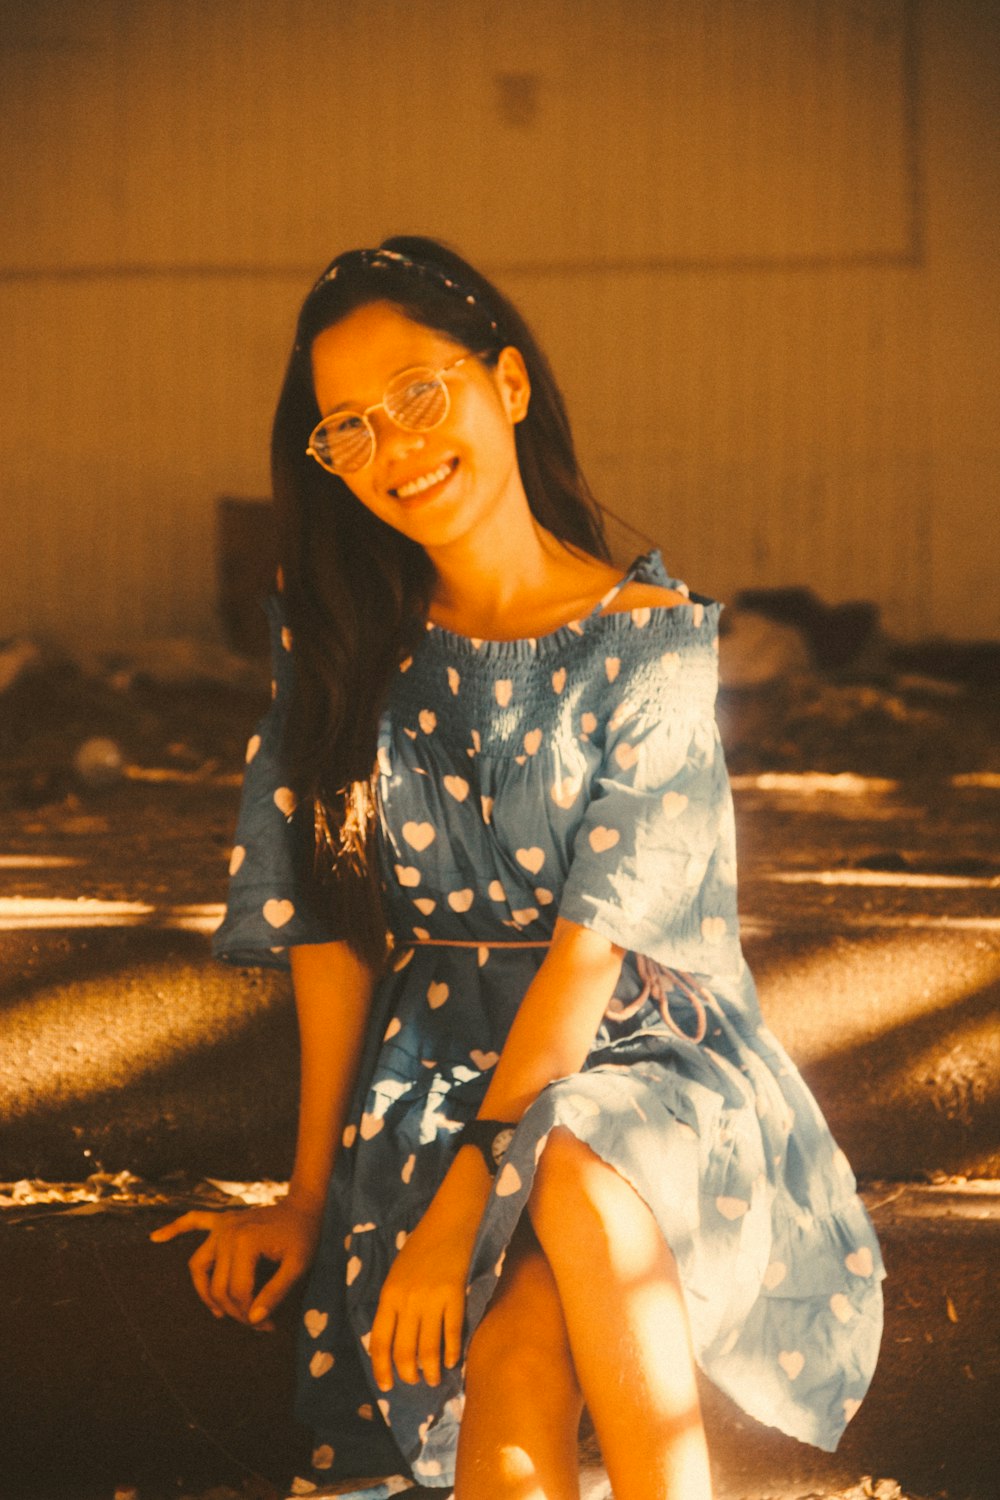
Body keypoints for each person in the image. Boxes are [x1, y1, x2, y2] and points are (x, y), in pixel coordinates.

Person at [152, 237, 884, 1499]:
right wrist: (307, 1194)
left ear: (508, 385)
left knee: (584, 1168)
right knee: (508, 1357)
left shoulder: (647, 646)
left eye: (420, 397)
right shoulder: (336, 640)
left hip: (633, 1061)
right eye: (348, 429)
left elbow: (587, 960)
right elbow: (333, 937)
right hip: (433, 1071)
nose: (393, 447)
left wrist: (454, 1221)